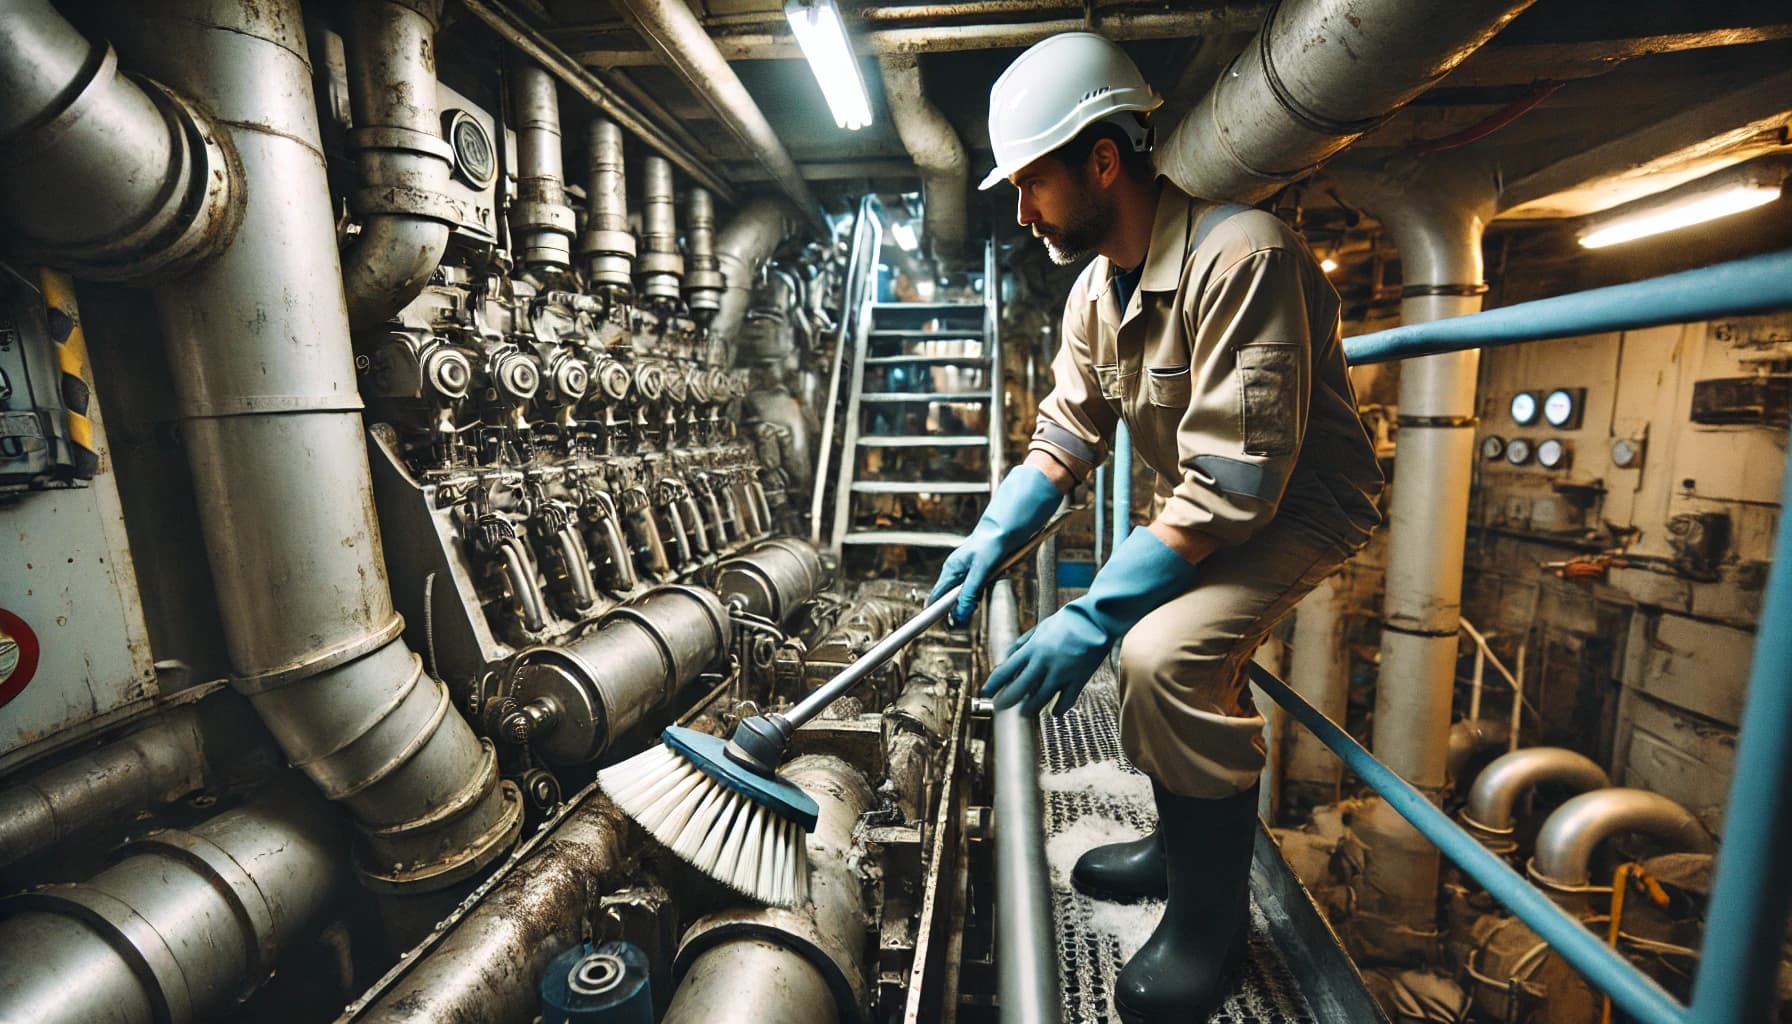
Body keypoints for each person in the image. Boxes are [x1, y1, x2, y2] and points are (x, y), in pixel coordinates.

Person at [929, 32, 1384, 1022]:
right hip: (1216, 501)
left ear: (1102, 160)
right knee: (1148, 642)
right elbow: (1065, 437)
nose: (1020, 211)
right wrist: (991, 532)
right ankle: (1179, 841)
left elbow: (1233, 485)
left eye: (1032, 183)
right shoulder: (1095, 290)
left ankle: (1205, 919)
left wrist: (1091, 614)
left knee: (1160, 654)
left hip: (1298, 504)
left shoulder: (1242, 255)